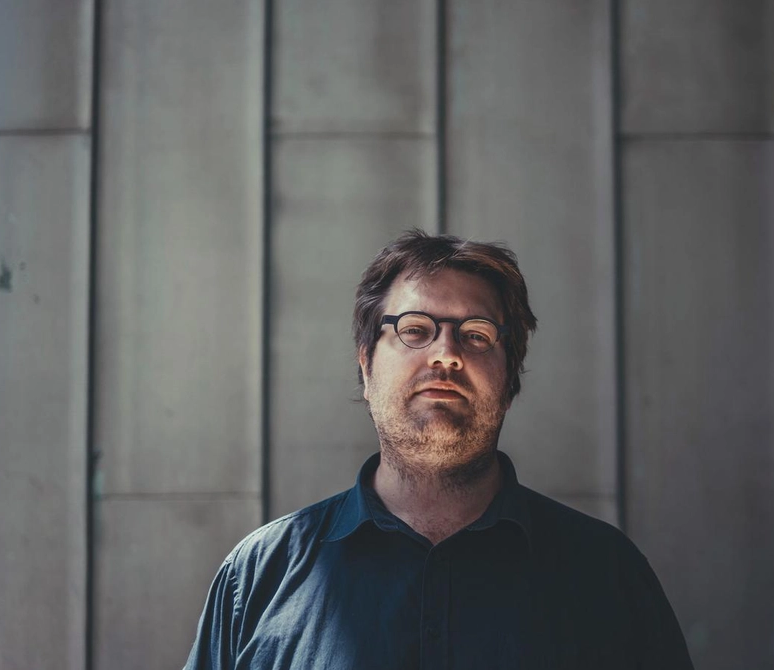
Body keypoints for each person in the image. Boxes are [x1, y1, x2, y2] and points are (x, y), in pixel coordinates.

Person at [183, 230, 693, 669]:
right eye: (415, 330)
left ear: (510, 378)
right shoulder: (257, 580)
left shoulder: (607, 575)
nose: (446, 354)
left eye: (476, 335)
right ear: (366, 365)